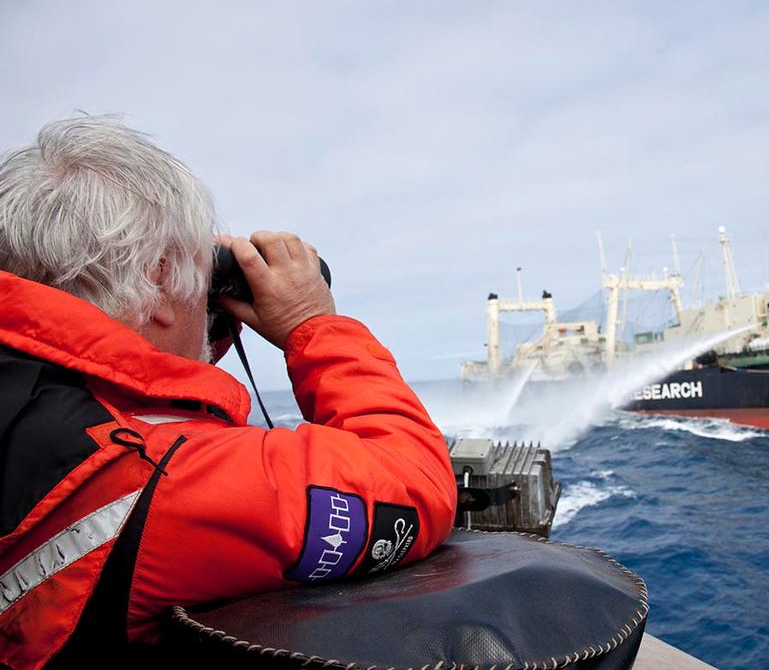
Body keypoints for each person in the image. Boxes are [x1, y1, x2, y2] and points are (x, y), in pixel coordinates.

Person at [0, 117, 456, 669]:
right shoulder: (161, 479)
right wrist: (310, 324)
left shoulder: (30, 395)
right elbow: (413, 481)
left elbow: (112, 376)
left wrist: (198, 325)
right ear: (160, 276)